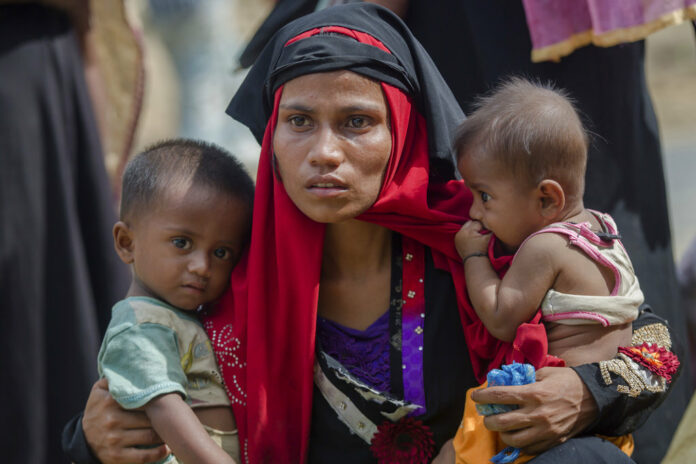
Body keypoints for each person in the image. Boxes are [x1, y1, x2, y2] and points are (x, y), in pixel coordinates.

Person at [63, 4, 681, 464]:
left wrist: (584, 389)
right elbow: (137, 363)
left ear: (405, 133)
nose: (324, 152)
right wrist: (91, 438)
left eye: (356, 122)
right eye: (299, 121)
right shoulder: (227, 262)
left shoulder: (488, 239)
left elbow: (650, 343)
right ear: (272, 135)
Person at [451, 79, 676, 463]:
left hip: (545, 415)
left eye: (484, 196)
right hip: (604, 417)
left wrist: (473, 256)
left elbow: (502, 317)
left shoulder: (545, 247)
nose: (474, 212)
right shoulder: (602, 229)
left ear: (547, 198)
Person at [98, 139, 254, 463]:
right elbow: (166, 409)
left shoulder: (183, 316)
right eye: (182, 243)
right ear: (127, 243)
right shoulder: (140, 325)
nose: (202, 266)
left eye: (221, 252)